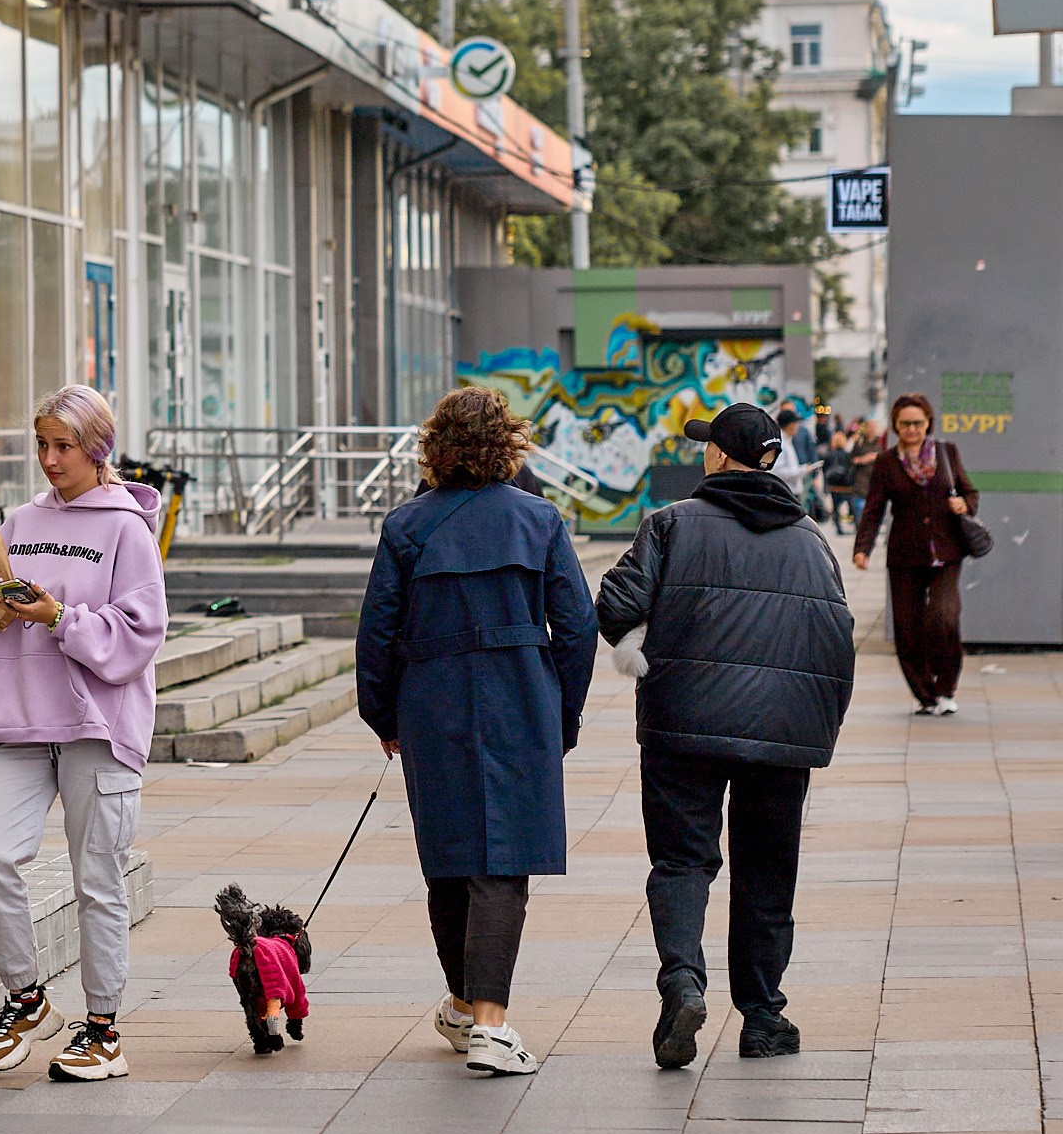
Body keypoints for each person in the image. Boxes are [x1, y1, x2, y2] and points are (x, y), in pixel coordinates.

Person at [597, 402, 854, 1068]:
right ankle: (764, 1017)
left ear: (716, 455)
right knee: (767, 871)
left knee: (683, 861)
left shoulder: (671, 525)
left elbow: (617, 604)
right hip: (781, 734)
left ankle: (683, 980)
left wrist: (641, 659)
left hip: (683, 725)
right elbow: (836, 639)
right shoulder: (810, 540)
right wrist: (815, 726)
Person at [356, 388, 599, 1079]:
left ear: (437, 446)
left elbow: (377, 631)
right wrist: (563, 712)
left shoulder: (406, 527)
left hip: (432, 699)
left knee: (449, 854)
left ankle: (465, 1006)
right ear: (509, 444)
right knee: (504, 859)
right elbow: (578, 627)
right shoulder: (540, 519)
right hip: (519, 695)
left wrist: (384, 714)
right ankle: (490, 1023)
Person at [0, 386, 166, 1081]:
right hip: (16, 714)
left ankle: (103, 1029)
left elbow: (141, 633)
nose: (49, 459)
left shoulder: (126, 529)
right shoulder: (18, 520)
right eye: (42, 445)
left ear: (97, 450)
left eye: (63, 446)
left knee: (98, 878)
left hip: (97, 725)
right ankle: (26, 997)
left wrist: (57, 618)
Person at [855, 393, 978, 717]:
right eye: (905, 424)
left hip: (946, 553)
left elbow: (969, 490)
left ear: (928, 423)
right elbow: (874, 509)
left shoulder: (946, 453)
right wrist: (862, 549)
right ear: (896, 426)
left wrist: (965, 505)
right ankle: (925, 695)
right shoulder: (886, 462)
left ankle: (946, 688)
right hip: (905, 556)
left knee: (944, 617)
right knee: (907, 628)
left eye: (918, 423)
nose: (912, 429)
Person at [821, 425, 858, 533]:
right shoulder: (847, 455)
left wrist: (826, 485)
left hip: (834, 485)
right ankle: (856, 525)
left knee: (836, 508)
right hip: (846, 485)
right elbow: (851, 469)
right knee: (851, 506)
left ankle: (838, 528)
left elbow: (825, 470)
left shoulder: (828, 455)